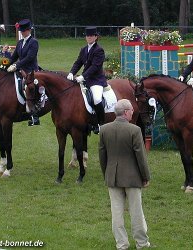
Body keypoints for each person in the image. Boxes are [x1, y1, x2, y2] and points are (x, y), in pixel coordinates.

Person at [99, 99, 152, 250]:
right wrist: (145, 176)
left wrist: (107, 174)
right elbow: (141, 157)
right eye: (132, 111)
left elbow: (102, 156)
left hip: (112, 177)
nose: (133, 113)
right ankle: (142, 243)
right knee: (136, 212)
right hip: (132, 177)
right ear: (127, 112)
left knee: (116, 213)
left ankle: (121, 244)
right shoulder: (134, 130)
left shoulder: (104, 129)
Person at [67, 26, 107, 134]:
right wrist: (71, 72)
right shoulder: (83, 49)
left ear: (95, 37)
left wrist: (83, 76)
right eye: (87, 36)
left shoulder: (99, 50)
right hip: (85, 79)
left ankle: (101, 123)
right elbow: (78, 62)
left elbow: (95, 67)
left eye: (91, 36)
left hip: (96, 80)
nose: (89, 38)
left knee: (97, 99)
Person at [7, 19, 40, 126]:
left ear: (29, 30)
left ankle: (35, 115)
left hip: (31, 71)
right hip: (21, 70)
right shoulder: (20, 42)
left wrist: (16, 65)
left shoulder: (34, 42)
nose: (22, 32)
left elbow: (29, 58)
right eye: (21, 31)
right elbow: (14, 57)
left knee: (30, 88)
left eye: (24, 30)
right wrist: (4, 64)